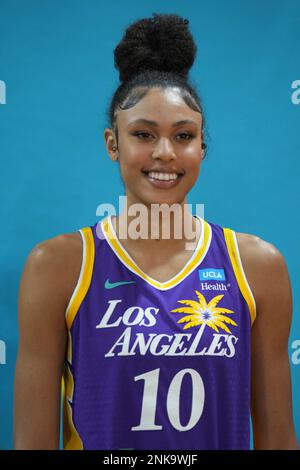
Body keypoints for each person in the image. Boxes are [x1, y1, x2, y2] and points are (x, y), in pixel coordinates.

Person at [14, 13, 298, 450]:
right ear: (113, 143)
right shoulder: (57, 266)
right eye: (144, 134)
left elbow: (278, 438)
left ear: (202, 146)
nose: (164, 153)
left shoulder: (258, 266)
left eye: (183, 135)